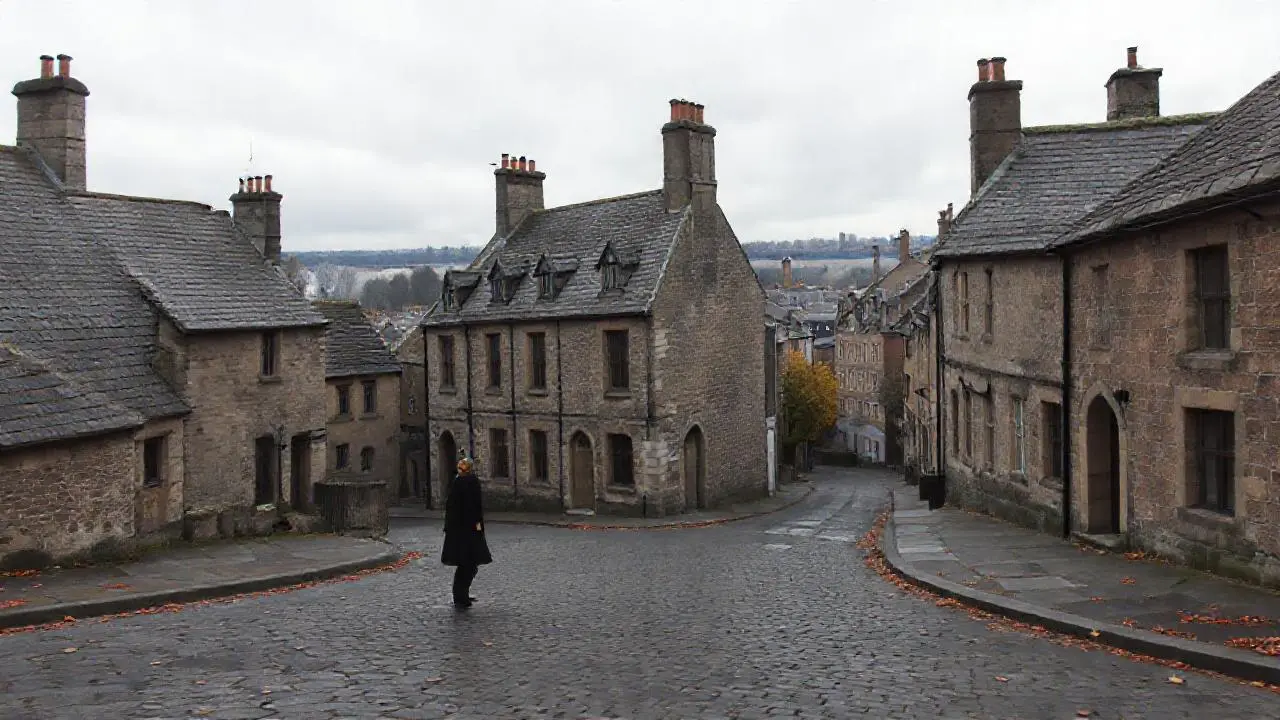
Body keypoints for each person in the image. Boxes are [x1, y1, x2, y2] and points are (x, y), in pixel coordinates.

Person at [440, 456, 492, 608]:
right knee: (467, 564)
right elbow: (471, 508)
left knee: (469, 564)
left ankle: (462, 594)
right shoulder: (466, 483)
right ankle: (460, 596)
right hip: (466, 532)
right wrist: (477, 527)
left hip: (465, 531)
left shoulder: (461, 482)